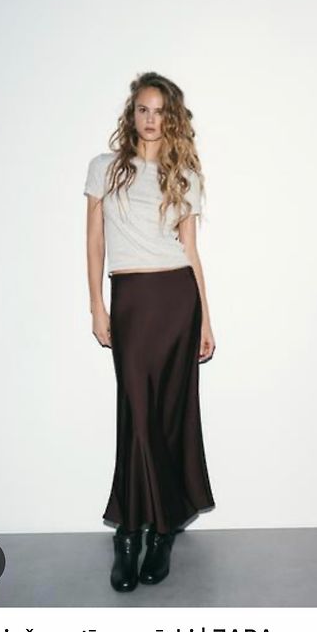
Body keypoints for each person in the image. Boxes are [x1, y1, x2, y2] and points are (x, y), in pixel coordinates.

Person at [83, 72, 216, 592]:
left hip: (177, 299)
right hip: (132, 300)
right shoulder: (104, 168)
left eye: (160, 110)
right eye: (143, 109)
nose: (150, 118)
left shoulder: (184, 175)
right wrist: (97, 306)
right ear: (131, 114)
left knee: (167, 415)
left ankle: (158, 533)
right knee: (137, 415)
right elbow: (95, 241)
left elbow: (191, 252)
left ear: (171, 117)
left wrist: (206, 318)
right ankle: (131, 532)